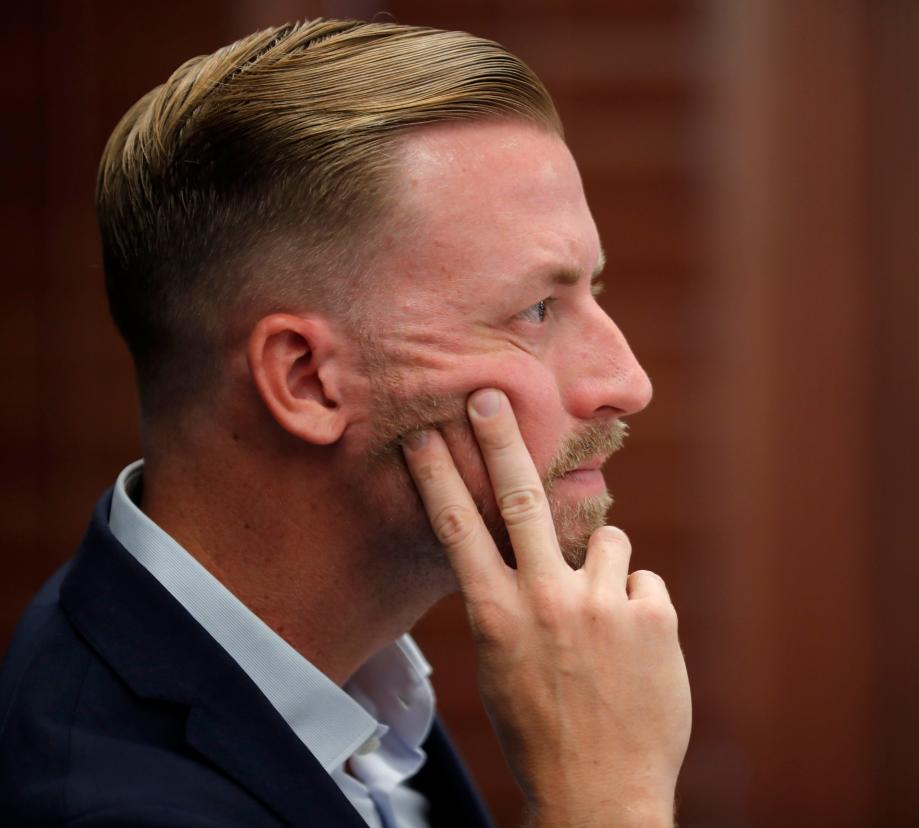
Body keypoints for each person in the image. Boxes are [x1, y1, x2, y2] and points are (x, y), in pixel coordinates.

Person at [0, 19, 691, 828]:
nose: (627, 383)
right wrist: (607, 800)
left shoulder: (355, 695)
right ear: (305, 379)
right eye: (535, 310)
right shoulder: (111, 805)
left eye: (590, 292)